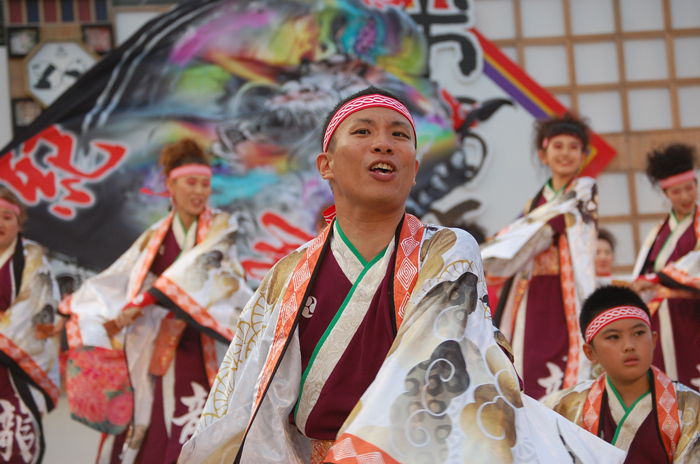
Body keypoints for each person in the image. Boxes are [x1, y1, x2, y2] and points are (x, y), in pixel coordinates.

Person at [179, 88, 624, 464]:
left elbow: (440, 372)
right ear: (325, 165)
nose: (383, 143)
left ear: (413, 169)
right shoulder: (287, 274)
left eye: (399, 135)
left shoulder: (447, 250)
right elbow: (240, 397)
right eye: (363, 132)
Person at [59, 139, 252, 464]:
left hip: (205, 341)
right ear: (170, 185)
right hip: (159, 345)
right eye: (191, 182)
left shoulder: (221, 227)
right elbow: (122, 278)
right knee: (153, 424)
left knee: (198, 421)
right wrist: (86, 308)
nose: (199, 191)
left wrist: (146, 299)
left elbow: (199, 270)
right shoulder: (155, 236)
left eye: (205, 184)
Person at [482, 114, 598, 400]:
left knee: (567, 369)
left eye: (574, 147)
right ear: (543, 154)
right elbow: (519, 236)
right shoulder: (534, 204)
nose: (566, 153)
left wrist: (490, 255)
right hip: (532, 295)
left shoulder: (582, 192)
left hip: (564, 295)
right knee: (527, 362)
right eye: (558, 146)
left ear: (584, 155)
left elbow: (534, 236)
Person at [545, 285, 700, 463]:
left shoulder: (691, 407)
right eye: (613, 337)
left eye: (639, 333)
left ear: (654, 339)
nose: (629, 345)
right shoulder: (563, 407)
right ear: (590, 353)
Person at [630, 144, 700, 391]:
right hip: (662, 317)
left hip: (692, 316)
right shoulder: (658, 232)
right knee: (665, 383)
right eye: (676, 191)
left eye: (690, 188)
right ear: (666, 194)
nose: (685, 197)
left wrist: (658, 278)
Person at [0, 186, 60, 463]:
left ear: (18, 222)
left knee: (14, 443)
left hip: (15, 366)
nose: (0, 223)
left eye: (7, 217)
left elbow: (40, 312)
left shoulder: (34, 260)